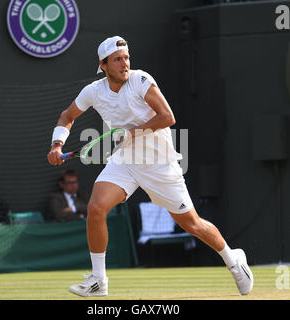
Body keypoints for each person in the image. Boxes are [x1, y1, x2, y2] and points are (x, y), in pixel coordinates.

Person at [47, 36, 253, 297]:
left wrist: (132, 133)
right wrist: (57, 144)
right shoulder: (93, 92)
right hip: (125, 162)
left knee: (191, 224)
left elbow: (168, 117)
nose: (125, 63)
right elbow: (67, 116)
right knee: (96, 208)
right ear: (103, 64)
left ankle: (233, 260)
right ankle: (98, 280)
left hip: (159, 165)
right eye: (118, 59)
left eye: (127, 57)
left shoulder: (141, 80)